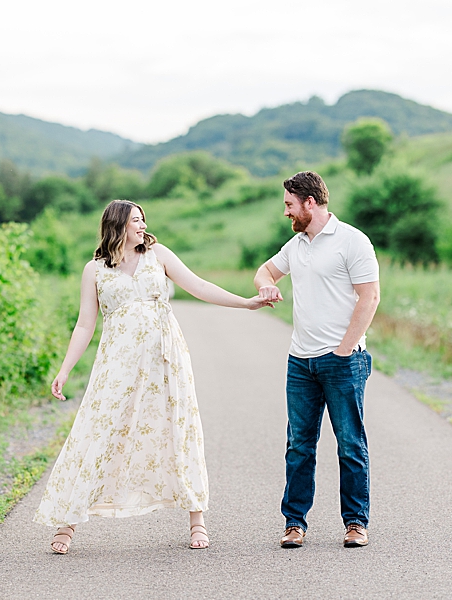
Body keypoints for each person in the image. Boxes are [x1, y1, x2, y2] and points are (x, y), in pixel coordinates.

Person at [34, 199, 274, 553]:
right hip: (117, 363)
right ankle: (66, 524)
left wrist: (246, 302)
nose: (143, 226)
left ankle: (197, 519)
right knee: (99, 429)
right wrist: (65, 368)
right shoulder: (95, 269)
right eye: (135, 221)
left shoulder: (157, 255)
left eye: (144, 220)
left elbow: (200, 286)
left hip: (166, 360)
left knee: (179, 428)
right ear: (117, 225)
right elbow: (85, 323)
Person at [254, 171, 380, 549]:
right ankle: (295, 523)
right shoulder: (296, 245)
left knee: (350, 445)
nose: (287, 213)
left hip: (343, 361)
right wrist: (266, 285)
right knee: (299, 446)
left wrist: (343, 350)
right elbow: (265, 270)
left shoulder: (352, 241)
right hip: (300, 362)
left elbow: (369, 298)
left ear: (310, 203)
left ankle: (356, 523)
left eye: (290, 205)